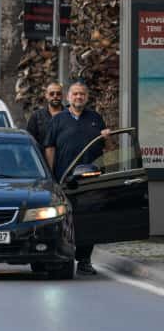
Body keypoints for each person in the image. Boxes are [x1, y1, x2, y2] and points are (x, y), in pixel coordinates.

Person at [44, 81, 110, 275]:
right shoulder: (58, 119)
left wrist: (107, 137)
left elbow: (108, 147)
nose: (78, 97)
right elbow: (50, 147)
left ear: (87, 97)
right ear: (68, 97)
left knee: (89, 221)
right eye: (75, 94)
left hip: (90, 181)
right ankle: (62, 258)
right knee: (64, 221)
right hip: (65, 181)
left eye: (82, 94)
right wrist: (50, 177)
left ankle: (84, 261)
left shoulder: (96, 118)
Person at [25, 81, 65, 146]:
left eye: (58, 94)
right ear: (46, 95)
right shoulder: (36, 116)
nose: (55, 96)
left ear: (62, 95)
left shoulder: (70, 115)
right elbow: (30, 140)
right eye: (51, 94)